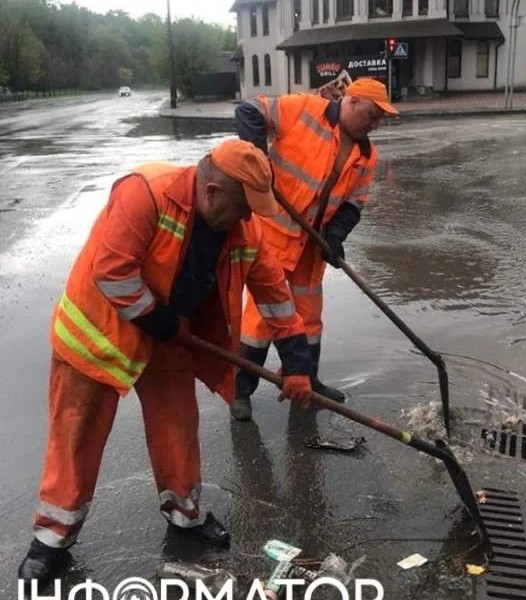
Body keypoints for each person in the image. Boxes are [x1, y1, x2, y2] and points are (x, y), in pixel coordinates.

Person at [17, 139, 316, 582]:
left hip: (172, 335)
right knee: (77, 435)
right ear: (211, 191)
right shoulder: (146, 192)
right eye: (242, 206)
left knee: (178, 427)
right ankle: (52, 539)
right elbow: (112, 272)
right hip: (99, 334)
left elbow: (274, 294)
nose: (248, 218)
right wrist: (159, 320)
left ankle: (186, 517)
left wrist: (297, 364)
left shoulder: (242, 230)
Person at [230, 77, 396, 422]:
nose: (375, 124)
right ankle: (240, 391)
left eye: (380, 118)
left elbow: (354, 204)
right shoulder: (305, 110)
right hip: (273, 236)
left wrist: (334, 238)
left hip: (310, 244)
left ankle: (308, 381)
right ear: (350, 103)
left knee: (309, 317)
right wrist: (258, 159)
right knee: (262, 319)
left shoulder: (367, 155)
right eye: (372, 115)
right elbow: (249, 111)